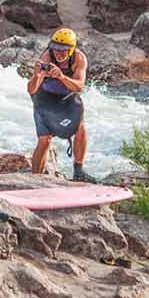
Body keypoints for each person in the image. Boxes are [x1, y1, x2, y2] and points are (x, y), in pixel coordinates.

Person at [27, 28, 96, 183]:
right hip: (44, 97)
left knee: (80, 127)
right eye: (55, 49)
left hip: (68, 95)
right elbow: (32, 89)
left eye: (63, 50)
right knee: (45, 138)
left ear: (71, 49)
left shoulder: (79, 58)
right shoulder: (46, 56)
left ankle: (78, 170)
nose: (58, 53)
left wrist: (62, 76)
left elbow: (79, 87)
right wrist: (37, 76)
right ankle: (34, 180)